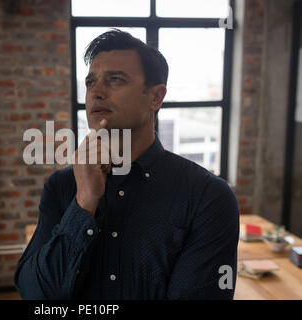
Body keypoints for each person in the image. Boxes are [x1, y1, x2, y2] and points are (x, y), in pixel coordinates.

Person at [14, 29, 239, 300]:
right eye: (90, 82)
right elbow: (34, 293)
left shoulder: (208, 197)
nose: (96, 92)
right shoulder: (62, 187)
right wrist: (84, 203)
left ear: (156, 97)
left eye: (115, 80)